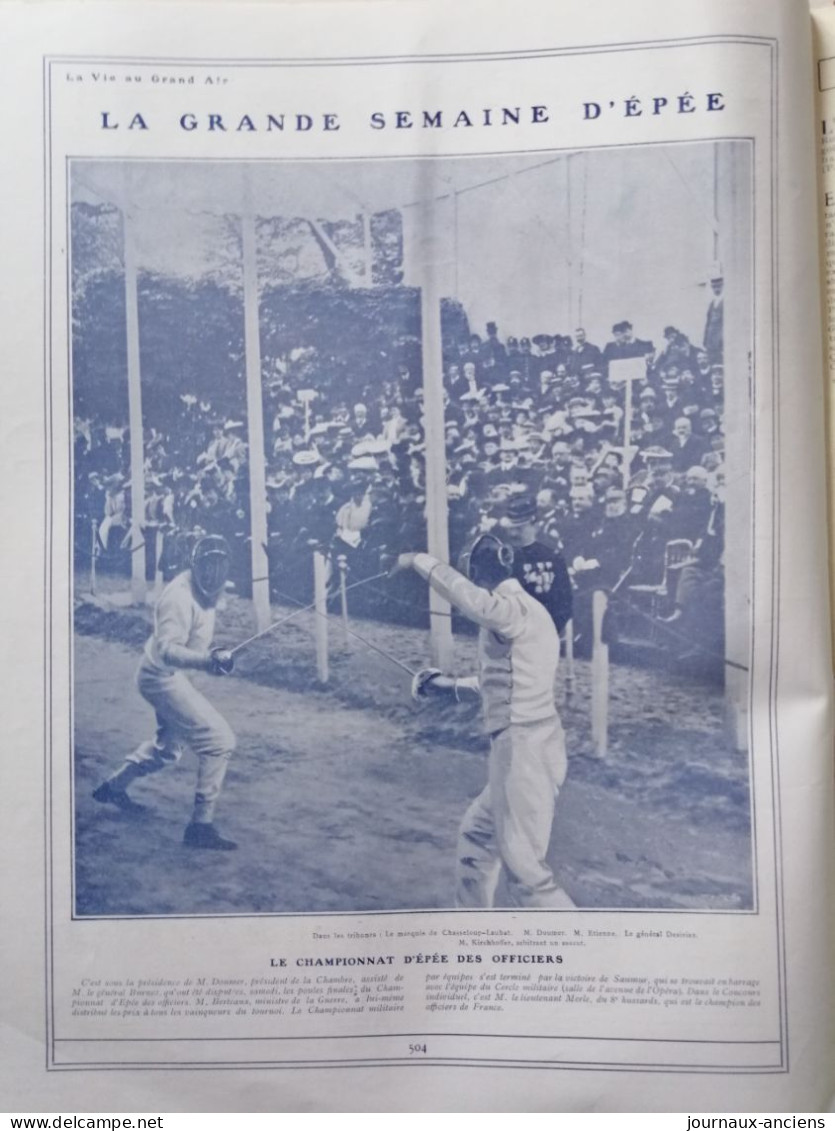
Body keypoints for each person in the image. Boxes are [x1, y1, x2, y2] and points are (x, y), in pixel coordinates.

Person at [395, 535, 574, 910]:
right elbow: (499, 684)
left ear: (478, 573)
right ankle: (472, 929)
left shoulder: (510, 610)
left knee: (527, 877)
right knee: (477, 838)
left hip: (525, 750)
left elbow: (472, 601)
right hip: (530, 743)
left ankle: (582, 954)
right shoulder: (528, 612)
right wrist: (444, 686)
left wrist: (419, 560)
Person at [92, 535, 239, 850]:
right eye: (207, 564)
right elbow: (168, 649)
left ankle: (113, 787)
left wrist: (213, 655)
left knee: (167, 750)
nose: (213, 573)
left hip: (171, 676)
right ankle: (200, 826)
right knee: (220, 741)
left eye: (219, 565)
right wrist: (207, 660)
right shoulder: (178, 596)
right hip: (161, 677)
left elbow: (193, 639)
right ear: (194, 564)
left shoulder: (206, 591)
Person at [501, 493, 573, 633]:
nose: (513, 534)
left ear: (534, 525)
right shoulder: (503, 555)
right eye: (511, 528)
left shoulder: (552, 555)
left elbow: (564, 601)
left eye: (520, 528)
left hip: (544, 630)